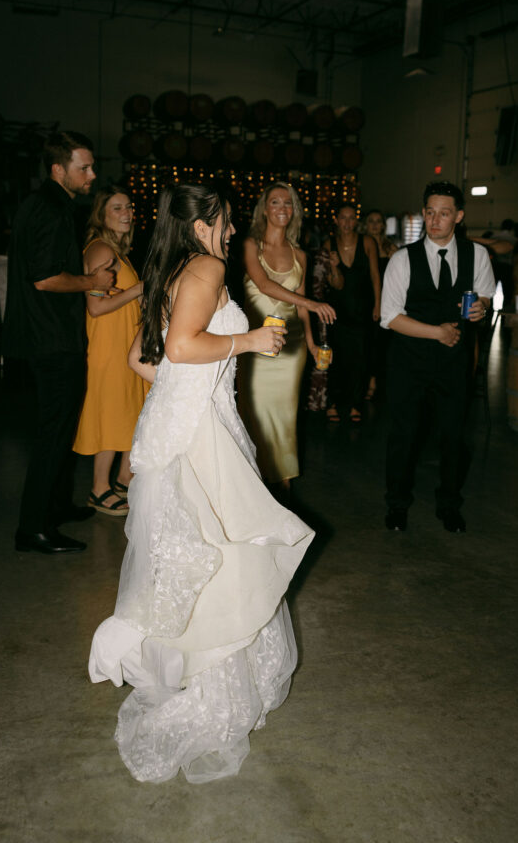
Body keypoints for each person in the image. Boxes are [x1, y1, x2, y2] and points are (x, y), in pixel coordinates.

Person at [89, 182, 314, 783]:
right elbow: (185, 345)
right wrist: (250, 340)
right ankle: (212, 692)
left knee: (196, 554)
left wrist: (186, 387)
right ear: (200, 225)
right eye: (224, 218)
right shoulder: (208, 265)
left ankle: (196, 673)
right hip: (199, 433)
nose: (232, 225)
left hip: (181, 422)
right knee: (221, 555)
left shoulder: (173, 267)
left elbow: (144, 358)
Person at [3, 131, 116, 555]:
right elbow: (45, 277)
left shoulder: (46, 204)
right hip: (51, 339)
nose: (91, 174)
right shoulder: (50, 210)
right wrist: (94, 281)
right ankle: (32, 529)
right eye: (83, 168)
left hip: (48, 335)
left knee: (61, 430)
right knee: (53, 434)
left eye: (90, 166)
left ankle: (55, 507)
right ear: (58, 169)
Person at [381, 181, 495, 534]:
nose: (435, 219)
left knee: (452, 436)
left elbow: (487, 297)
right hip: (409, 361)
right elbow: (390, 317)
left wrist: (480, 308)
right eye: (430, 212)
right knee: (404, 435)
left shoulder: (477, 255)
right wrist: (437, 332)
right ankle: (397, 505)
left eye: (444, 213)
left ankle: (449, 505)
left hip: (453, 364)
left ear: (458, 217)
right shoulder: (403, 259)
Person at [239, 181, 335, 492]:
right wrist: (311, 303)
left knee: (285, 414)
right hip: (256, 342)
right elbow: (265, 286)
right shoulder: (250, 245)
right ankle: (254, 481)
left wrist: (310, 341)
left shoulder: (300, 255)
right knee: (255, 410)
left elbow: (301, 303)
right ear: (264, 209)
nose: (283, 208)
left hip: (292, 346)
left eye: (288, 203)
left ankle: (284, 482)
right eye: (276, 202)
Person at [73, 187, 148, 515]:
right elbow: (95, 308)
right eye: (116, 208)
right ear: (101, 215)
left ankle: (122, 478)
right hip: (108, 344)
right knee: (111, 413)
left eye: (128, 207)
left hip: (123, 342)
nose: (126, 213)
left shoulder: (115, 249)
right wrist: (139, 289)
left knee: (128, 410)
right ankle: (99, 489)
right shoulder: (102, 249)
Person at [323, 204, 380, 422]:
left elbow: (375, 275)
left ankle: (356, 404)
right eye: (343, 218)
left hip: (362, 308)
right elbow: (334, 284)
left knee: (360, 359)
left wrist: (378, 304)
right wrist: (334, 266)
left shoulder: (367, 242)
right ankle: (333, 402)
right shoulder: (329, 244)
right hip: (337, 310)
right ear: (337, 220)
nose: (347, 223)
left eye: (351, 218)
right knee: (335, 358)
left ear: (356, 221)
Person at [363, 208, 397, 403]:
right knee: (366, 343)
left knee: (380, 343)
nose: (375, 224)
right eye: (371, 221)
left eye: (378, 221)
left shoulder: (390, 248)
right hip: (363, 299)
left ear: (383, 225)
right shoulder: (359, 245)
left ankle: (375, 382)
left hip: (385, 301)